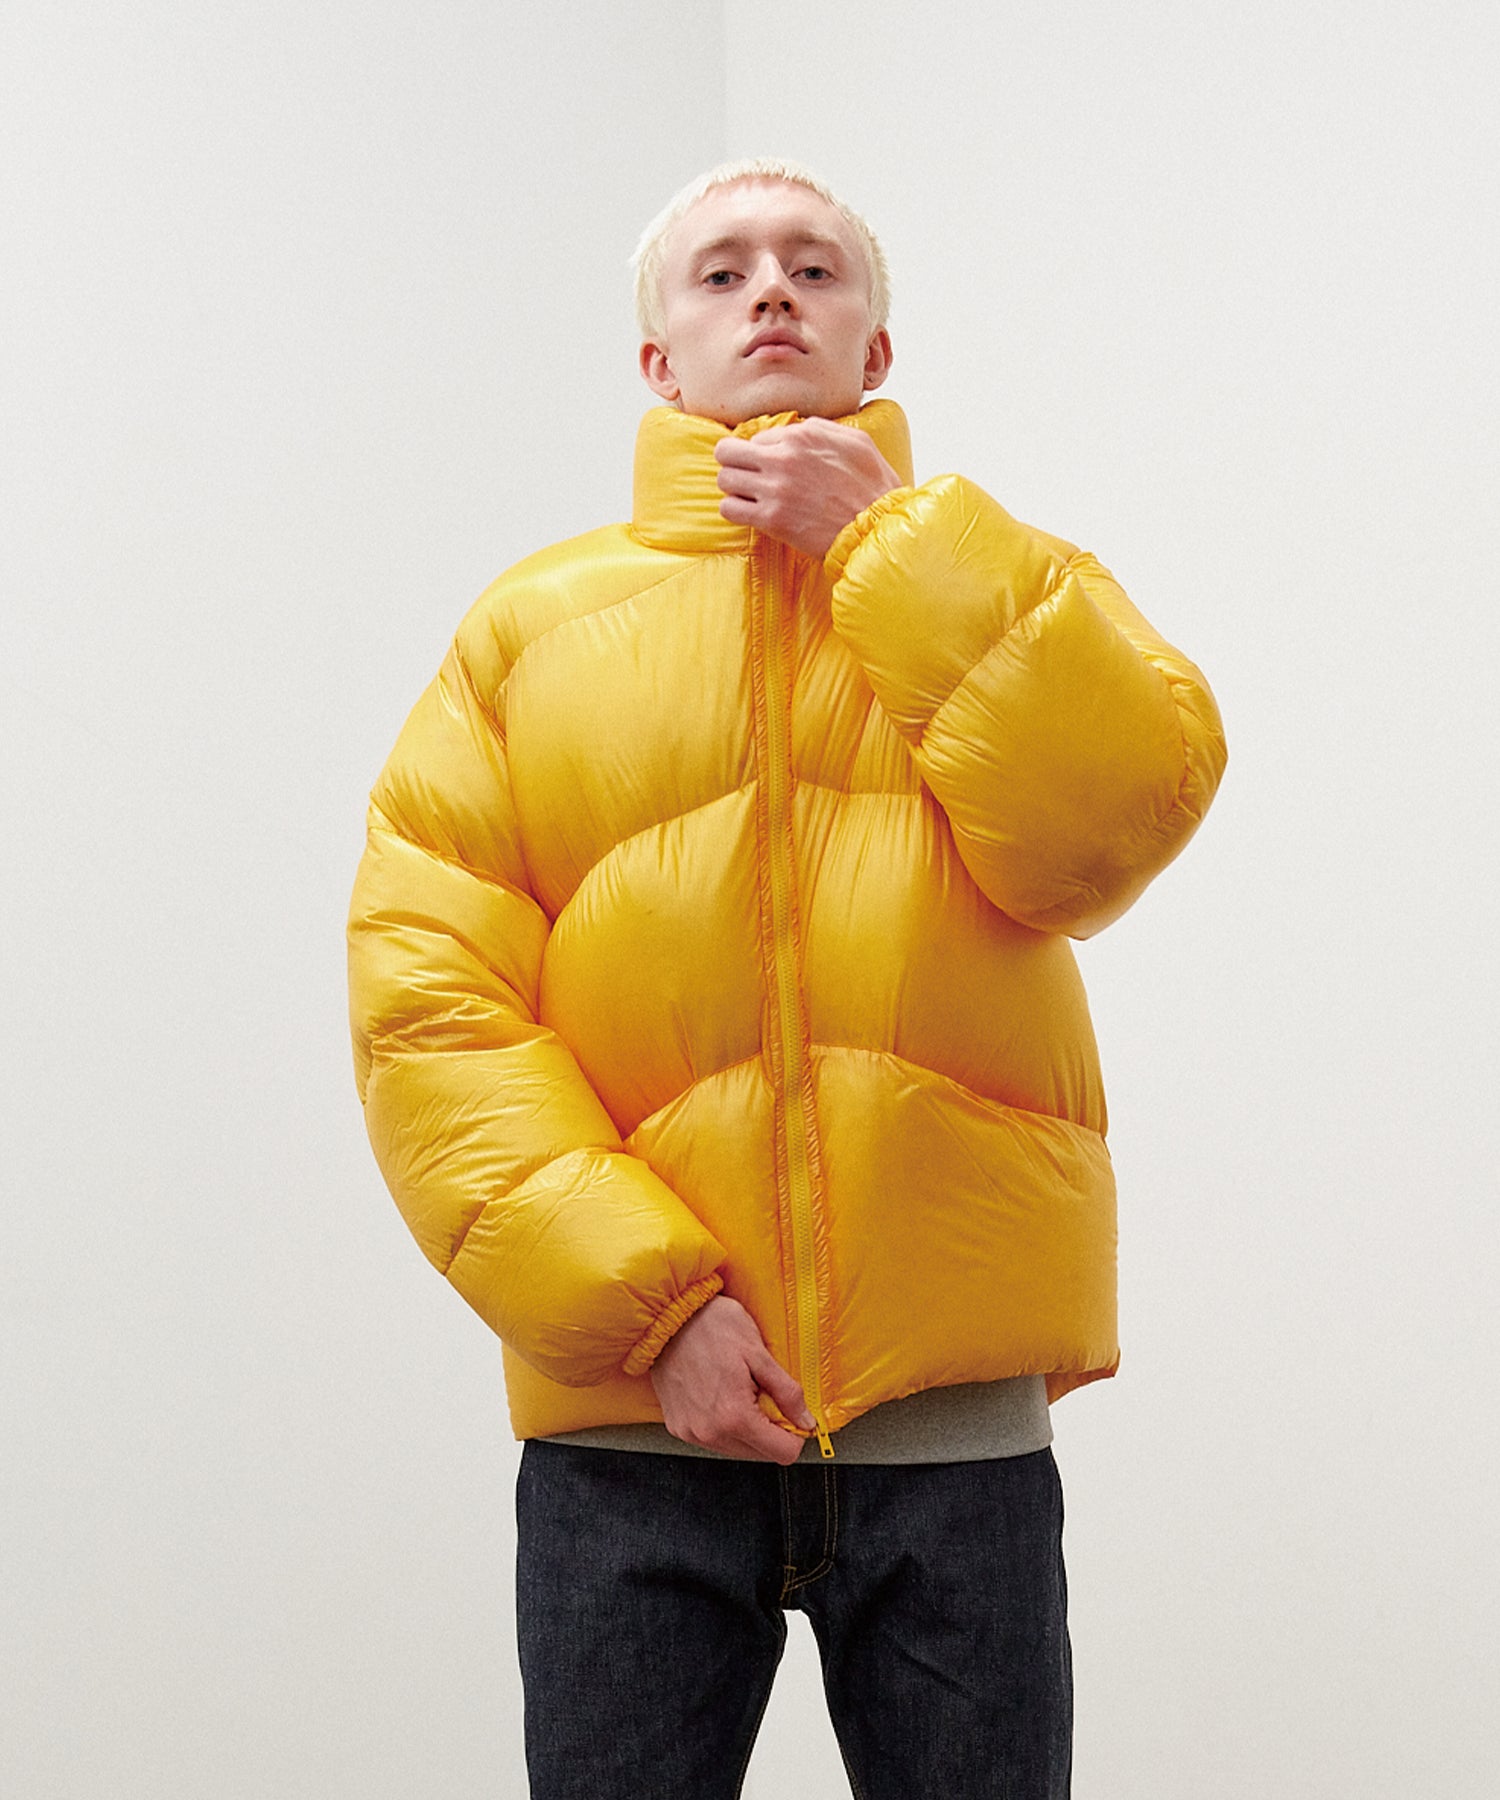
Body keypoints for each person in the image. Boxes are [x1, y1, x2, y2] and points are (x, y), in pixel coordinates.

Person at [347, 158, 1226, 1799]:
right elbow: (431, 1011)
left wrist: (888, 549)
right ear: (658, 361)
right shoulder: (524, 635)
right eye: (723, 271)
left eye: (815, 268)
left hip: (950, 1427)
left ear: (875, 349)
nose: (770, 290)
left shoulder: (1008, 581)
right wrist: (654, 1309)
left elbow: (1105, 836)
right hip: (636, 1435)